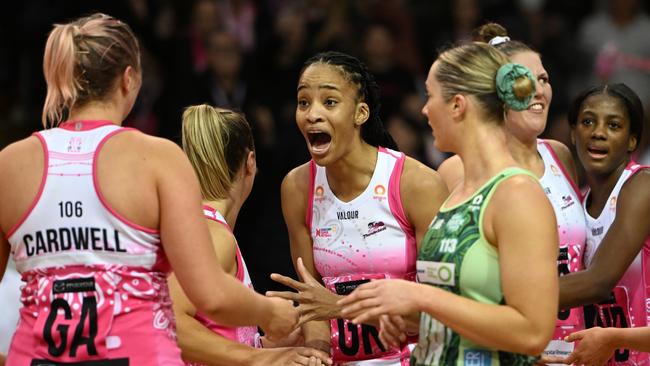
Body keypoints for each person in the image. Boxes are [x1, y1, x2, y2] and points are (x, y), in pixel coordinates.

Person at [0, 13, 297, 365]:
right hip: (137, 354)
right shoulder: (157, 159)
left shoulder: (10, 163)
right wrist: (270, 311)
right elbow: (211, 294)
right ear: (129, 79)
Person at [338, 41, 559, 365]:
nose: (424, 109)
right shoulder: (455, 190)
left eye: (430, 95)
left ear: (457, 105)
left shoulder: (517, 194)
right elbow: (460, 310)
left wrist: (421, 296)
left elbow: (532, 332)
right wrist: (408, 317)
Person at [268, 51, 449, 365]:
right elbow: (313, 305)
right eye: (303, 102)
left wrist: (340, 307)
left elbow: (442, 313)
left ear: (360, 113)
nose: (312, 114)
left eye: (330, 102)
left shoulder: (417, 184)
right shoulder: (296, 188)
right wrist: (317, 354)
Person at [436, 23, 586, 360]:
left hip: (574, 351)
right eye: (523, 80)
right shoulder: (456, 171)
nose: (538, 91)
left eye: (544, 80)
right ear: (496, 93)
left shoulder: (560, 156)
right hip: (503, 350)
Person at [170, 104, 332, 366]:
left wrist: (264, 346)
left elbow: (207, 329)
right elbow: (170, 321)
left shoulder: (205, 228)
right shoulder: (213, 235)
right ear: (250, 163)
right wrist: (260, 359)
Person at [542, 83, 649, 366]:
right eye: (588, 121)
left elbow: (598, 282)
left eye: (614, 125)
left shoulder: (643, 185)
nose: (598, 132)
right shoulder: (577, 206)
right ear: (574, 133)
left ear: (632, 141)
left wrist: (498, 300)